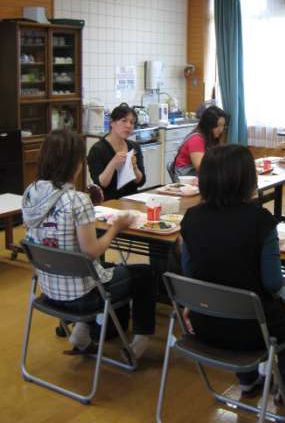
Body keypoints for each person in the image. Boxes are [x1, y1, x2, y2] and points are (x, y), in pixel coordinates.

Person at [180, 144, 285, 398]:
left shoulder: (191, 217)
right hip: (254, 332)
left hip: (205, 326)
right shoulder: (261, 220)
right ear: (247, 179)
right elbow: (272, 282)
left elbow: (190, 273)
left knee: (233, 294)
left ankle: (247, 380)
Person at [22, 129, 156, 359]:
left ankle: (82, 333)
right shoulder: (77, 200)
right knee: (145, 274)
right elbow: (91, 251)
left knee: (105, 268)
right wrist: (115, 228)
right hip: (82, 298)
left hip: (49, 290)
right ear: (74, 163)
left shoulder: (30, 193)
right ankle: (139, 343)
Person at [88, 103, 146, 200]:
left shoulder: (134, 147)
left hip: (132, 199)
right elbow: (101, 184)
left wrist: (134, 167)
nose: (128, 125)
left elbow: (141, 182)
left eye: (132, 122)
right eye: (124, 121)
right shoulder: (97, 149)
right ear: (112, 122)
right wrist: (113, 163)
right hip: (109, 202)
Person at [173, 105, 227, 179]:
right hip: (186, 177)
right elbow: (201, 168)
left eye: (223, 126)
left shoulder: (211, 138)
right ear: (208, 125)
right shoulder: (196, 139)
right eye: (217, 125)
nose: (221, 130)